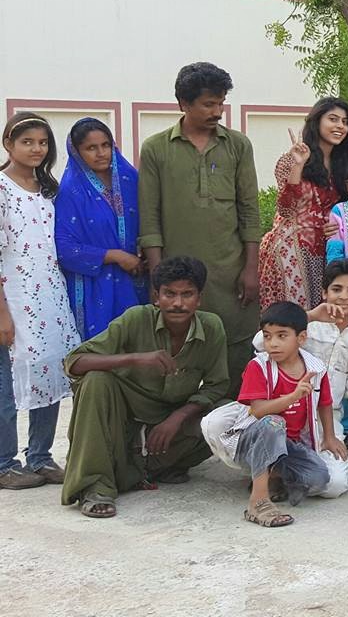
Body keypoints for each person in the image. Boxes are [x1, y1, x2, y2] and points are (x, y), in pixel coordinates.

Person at [61, 257, 227, 517]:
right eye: (169, 294)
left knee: (226, 415)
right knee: (96, 380)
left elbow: (217, 386)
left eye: (187, 294)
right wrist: (135, 358)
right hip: (123, 420)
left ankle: (154, 468)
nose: (178, 303)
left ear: (199, 299)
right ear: (156, 297)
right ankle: (95, 487)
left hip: (168, 424)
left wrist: (177, 418)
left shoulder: (212, 326)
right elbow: (74, 362)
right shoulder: (136, 318)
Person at [138, 62, 260, 398]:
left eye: (221, 103)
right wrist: (158, 280)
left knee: (238, 352)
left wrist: (251, 269)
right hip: (179, 278)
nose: (217, 112)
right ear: (183, 103)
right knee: (181, 353)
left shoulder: (238, 145)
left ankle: (234, 421)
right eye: (208, 104)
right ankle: (185, 423)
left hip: (231, 272)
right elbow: (150, 218)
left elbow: (249, 210)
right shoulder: (156, 149)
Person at [0, 112, 80, 490]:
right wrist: (3, 313)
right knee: (8, 385)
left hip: (49, 296)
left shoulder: (49, 189)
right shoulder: (1, 188)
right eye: (27, 141)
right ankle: (4, 463)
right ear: (8, 144)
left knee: (50, 370)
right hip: (13, 298)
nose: (36, 149)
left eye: (43, 142)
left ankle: (40, 457)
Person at [232, 301, 348, 528]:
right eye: (267, 336)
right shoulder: (259, 366)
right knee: (273, 423)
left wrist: (329, 436)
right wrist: (293, 397)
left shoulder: (315, 368)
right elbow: (258, 411)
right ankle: (258, 502)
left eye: (281, 336)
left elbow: (325, 403)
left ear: (301, 338)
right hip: (255, 437)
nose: (273, 344)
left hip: (290, 444)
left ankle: (275, 473)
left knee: (318, 478)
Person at [256, 258, 348, 443]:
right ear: (324, 293)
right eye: (336, 289)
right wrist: (309, 316)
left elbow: (344, 377)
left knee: (334, 463)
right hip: (286, 408)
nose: (344, 296)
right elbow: (260, 343)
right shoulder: (308, 324)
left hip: (327, 418)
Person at [260, 97, 348, 309]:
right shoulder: (293, 159)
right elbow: (286, 208)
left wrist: (337, 225)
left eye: (344, 122)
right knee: (294, 317)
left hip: (328, 250)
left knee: (325, 316)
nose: (340, 126)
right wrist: (298, 165)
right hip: (292, 250)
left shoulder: (347, 165)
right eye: (333, 119)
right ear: (317, 121)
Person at [55, 117, 147, 339]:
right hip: (94, 285)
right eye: (91, 148)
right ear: (76, 152)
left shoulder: (130, 179)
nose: (101, 153)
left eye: (106, 145)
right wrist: (116, 256)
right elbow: (64, 249)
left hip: (137, 278)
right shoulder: (70, 191)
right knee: (102, 346)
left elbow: (151, 220)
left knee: (139, 341)